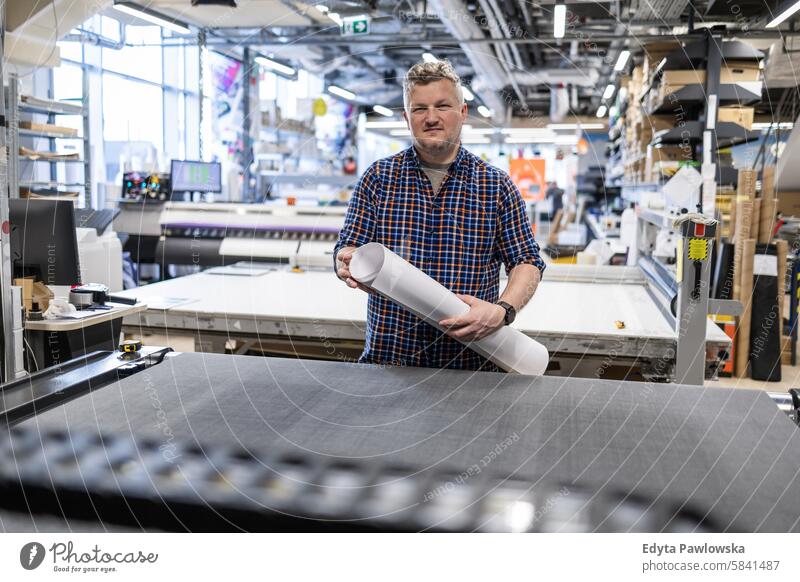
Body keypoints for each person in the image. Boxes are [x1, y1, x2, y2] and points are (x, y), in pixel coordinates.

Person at [334, 59, 545, 371]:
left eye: (442, 106)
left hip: (468, 365)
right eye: (419, 109)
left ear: (462, 112)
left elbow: (526, 261)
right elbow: (347, 247)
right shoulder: (378, 178)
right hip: (389, 363)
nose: (430, 118)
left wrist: (503, 310)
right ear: (407, 118)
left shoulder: (495, 185)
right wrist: (346, 260)